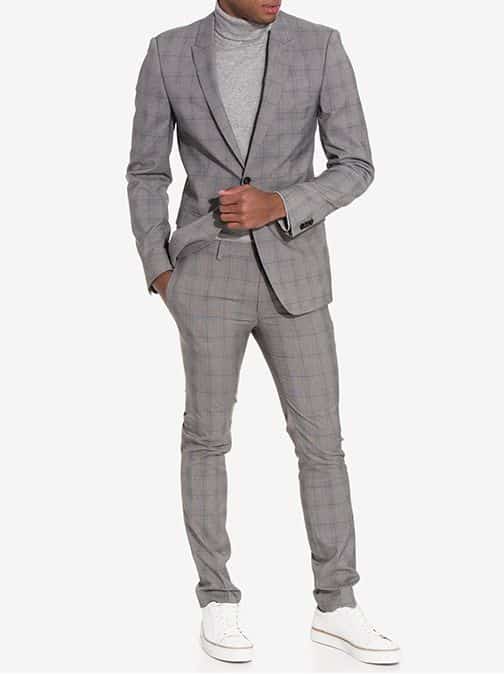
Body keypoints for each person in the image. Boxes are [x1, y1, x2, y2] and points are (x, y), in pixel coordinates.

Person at [126, 0, 399, 665]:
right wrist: (161, 270)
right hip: (205, 276)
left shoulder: (321, 44)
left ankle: (337, 605)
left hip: (296, 278)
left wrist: (283, 203)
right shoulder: (168, 51)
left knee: (322, 445)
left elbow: (356, 163)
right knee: (207, 438)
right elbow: (147, 172)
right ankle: (216, 600)